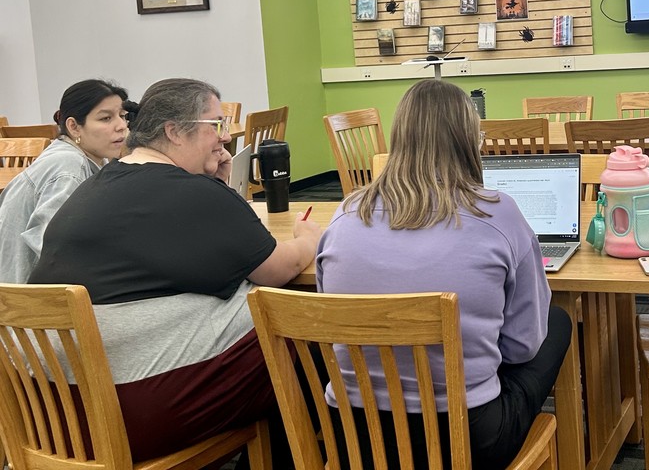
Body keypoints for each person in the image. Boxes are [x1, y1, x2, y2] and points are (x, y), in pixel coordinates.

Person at [29, 77, 322, 462]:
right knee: (300, 329)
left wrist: (214, 188)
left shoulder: (97, 185)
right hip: (123, 413)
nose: (225, 138)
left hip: (46, 414)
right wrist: (309, 239)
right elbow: (277, 270)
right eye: (215, 126)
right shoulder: (192, 195)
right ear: (173, 132)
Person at [316, 79, 571, 468]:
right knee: (556, 320)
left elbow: (328, 314)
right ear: (471, 139)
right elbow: (522, 348)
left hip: (355, 434)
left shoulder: (346, 213)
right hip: (467, 439)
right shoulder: (497, 212)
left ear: (399, 137)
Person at [0, 79, 132, 283]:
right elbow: (54, 248)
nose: (121, 126)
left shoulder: (84, 157)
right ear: (74, 126)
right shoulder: (68, 165)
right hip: (23, 299)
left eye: (123, 116)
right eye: (106, 118)